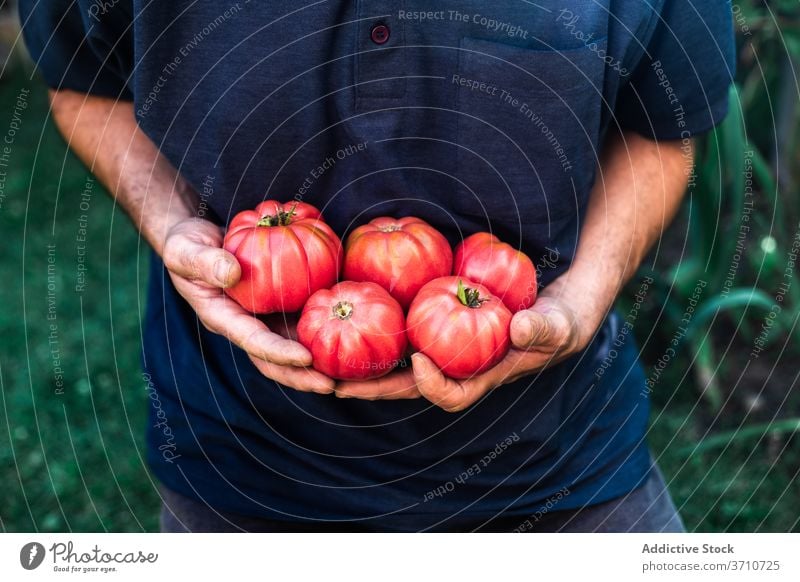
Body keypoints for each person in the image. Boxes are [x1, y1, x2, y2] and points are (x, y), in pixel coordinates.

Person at [20, 1, 734, 532]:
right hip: (240, 459)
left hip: (559, 460)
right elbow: (80, 81)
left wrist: (581, 298)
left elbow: (663, 131)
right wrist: (172, 223)